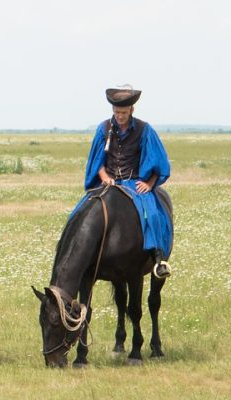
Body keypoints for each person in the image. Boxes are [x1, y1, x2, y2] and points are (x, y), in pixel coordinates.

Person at [77, 84, 173, 278]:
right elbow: (97, 160)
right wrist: (104, 178)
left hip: (134, 183)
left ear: (131, 110)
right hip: (109, 182)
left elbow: (158, 161)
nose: (120, 116)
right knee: (79, 212)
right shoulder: (103, 129)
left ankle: (158, 258)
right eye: (117, 111)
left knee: (152, 214)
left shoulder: (144, 130)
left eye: (124, 112)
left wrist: (149, 183)